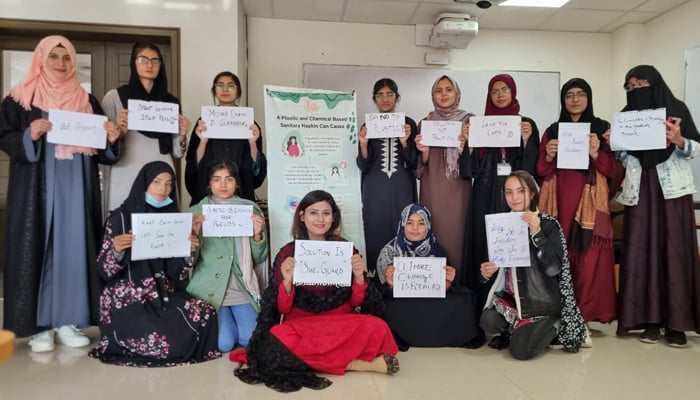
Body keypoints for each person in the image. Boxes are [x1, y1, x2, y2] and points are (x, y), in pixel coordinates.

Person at [0, 35, 121, 352]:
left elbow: (103, 153)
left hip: (77, 187)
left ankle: (69, 320)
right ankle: (41, 327)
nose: (61, 62)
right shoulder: (20, 99)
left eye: (66, 57)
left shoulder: (87, 100)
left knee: (74, 250)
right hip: (37, 188)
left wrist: (111, 137)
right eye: (54, 56)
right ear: (41, 58)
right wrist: (30, 134)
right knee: (39, 247)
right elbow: (5, 136)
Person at [231, 190, 399, 392]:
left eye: (326, 213)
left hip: (341, 325)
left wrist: (359, 277)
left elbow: (357, 303)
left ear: (333, 217)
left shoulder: (345, 248)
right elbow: (282, 308)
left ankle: (320, 363)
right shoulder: (287, 252)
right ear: (302, 216)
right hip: (301, 327)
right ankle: (354, 364)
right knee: (275, 338)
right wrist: (286, 281)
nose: (320, 219)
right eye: (314, 213)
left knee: (378, 327)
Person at [89, 161, 220, 366]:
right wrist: (116, 251)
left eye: (169, 184)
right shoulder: (119, 219)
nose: (163, 189)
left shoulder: (173, 219)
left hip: (163, 292)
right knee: (163, 338)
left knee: (205, 313)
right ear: (144, 184)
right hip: (126, 295)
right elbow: (104, 272)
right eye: (156, 182)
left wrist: (188, 251)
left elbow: (177, 273)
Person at [614, 65, 700, 347]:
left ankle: (676, 323)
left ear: (655, 83)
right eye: (630, 86)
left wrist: (678, 140)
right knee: (642, 251)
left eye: (641, 84)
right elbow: (623, 157)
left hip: (672, 191)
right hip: (641, 189)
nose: (636, 90)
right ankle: (648, 320)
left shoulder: (676, 110)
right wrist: (616, 145)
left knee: (674, 252)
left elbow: (695, 149)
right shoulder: (626, 117)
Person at [537, 78, 620, 334]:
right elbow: (540, 170)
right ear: (563, 100)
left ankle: (583, 314)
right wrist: (549, 155)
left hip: (590, 203)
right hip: (559, 200)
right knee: (559, 255)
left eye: (580, 94)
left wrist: (596, 153)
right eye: (569, 95)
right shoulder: (552, 130)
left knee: (589, 258)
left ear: (588, 98)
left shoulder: (602, 129)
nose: (575, 99)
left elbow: (615, 171)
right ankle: (558, 312)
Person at [480, 171, 586, 360]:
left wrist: (537, 233)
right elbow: (496, 269)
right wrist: (488, 272)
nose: (514, 197)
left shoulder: (548, 224)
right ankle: (520, 328)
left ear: (532, 193)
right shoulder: (502, 224)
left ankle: (553, 324)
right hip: (515, 300)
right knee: (487, 321)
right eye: (509, 192)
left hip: (540, 302)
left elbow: (554, 268)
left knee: (521, 351)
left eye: (521, 191)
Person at [465, 74, 540, 299]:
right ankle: (482, 304)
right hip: (484, 195)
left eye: (505, 90)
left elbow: (531, 171)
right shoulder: (481, 125)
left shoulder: (526, 124)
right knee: (483, 242)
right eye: (494, 91)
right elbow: (470, 170)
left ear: (513, 92)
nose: (500, 95)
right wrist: (469, 145)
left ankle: (515, 302)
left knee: (514, 243)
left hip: (514, 197)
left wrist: (527, 142)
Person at [376, 203, 483, 350]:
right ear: (402, 225)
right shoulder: (389, 251)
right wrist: (389, 284)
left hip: (430, 298)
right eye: (409, 223)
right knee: (386, 306)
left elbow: (444, 287)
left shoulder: (436, 249)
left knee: (464, 300)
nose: (415, 228)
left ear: (427, 226)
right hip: (401, 300)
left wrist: (449, 280)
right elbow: (378, 290)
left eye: (421, 223)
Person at [187, 161, 268, 352]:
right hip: (211, 290)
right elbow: (190, 262)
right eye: (217, 179)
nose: (223, 185)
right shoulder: (195, 213)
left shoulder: (250, 210)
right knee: (224, 344)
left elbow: (259, 258)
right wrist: (193, 240)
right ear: (209, 183)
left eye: (229, 179)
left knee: (251, 340)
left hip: (242, 287)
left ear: (237, 183)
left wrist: (257, 235)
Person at [102, 42, 192, 210]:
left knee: (161, 225)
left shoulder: (170, 103)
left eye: (155, 61)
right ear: (133, 62)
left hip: (161, 171)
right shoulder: (115, 97)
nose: (149, 65)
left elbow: (177, 153)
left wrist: (181, 135)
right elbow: (104, 148)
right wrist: (118, 133)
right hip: (125, 169)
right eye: (143, 59)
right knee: (125, 225)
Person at [357, 78, 418, 274]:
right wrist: (364, 143)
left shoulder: (408, 124)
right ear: (374, 99)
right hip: (375, 189)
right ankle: (376, 280)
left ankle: (404, 278)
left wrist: (405, 141)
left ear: (397, 97)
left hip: (402, 188)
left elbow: (414, 162)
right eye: (380, 95)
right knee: (375, 229)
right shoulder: (369, 124)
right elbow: (363, 165)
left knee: (404, 227)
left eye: (389, 94)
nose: (385, 99)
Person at [415, 75, 472, 282]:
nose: (444, 94)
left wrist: (467, 147)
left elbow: (477, 164)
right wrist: (424, 151)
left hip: (459, 191)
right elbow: (420, 169)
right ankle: (432, 285)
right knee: (433, 234)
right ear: (433, 95)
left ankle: (457, 287)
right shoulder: (425, 123)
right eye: (439, 90)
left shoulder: (469, 121)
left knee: (458, 238)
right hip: (432, 190)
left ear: (457, 94)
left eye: (449, 90)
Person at [185, 71, 267, 205]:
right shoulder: (204, 121)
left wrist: (252, 143)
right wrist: (203, 142)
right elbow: (194, 163)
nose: (225, 89)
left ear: (238, 91)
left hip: (241, 192)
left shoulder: (249, 123)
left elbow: (255, 167)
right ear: (214, 90)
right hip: (207, 193)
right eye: (220, 85)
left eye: (231, 86)